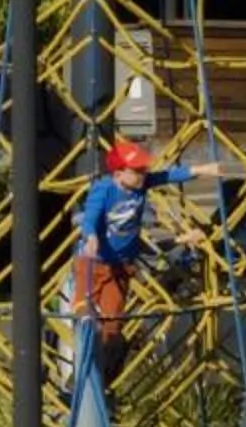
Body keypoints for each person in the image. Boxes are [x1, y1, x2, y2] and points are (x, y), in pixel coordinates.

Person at [69, 140, 230, 376]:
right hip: (95, 262)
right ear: (119, 173)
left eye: (143, 170)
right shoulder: (105, 189)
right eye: (136, 171)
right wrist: (91, 236)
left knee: (113, 323)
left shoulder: (141, 186)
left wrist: (203, 169)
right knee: (86, 312)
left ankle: (103, 375)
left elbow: (169, 175)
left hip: (121, 266)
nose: (142, 175)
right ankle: (83, 360)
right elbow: (91, 217)